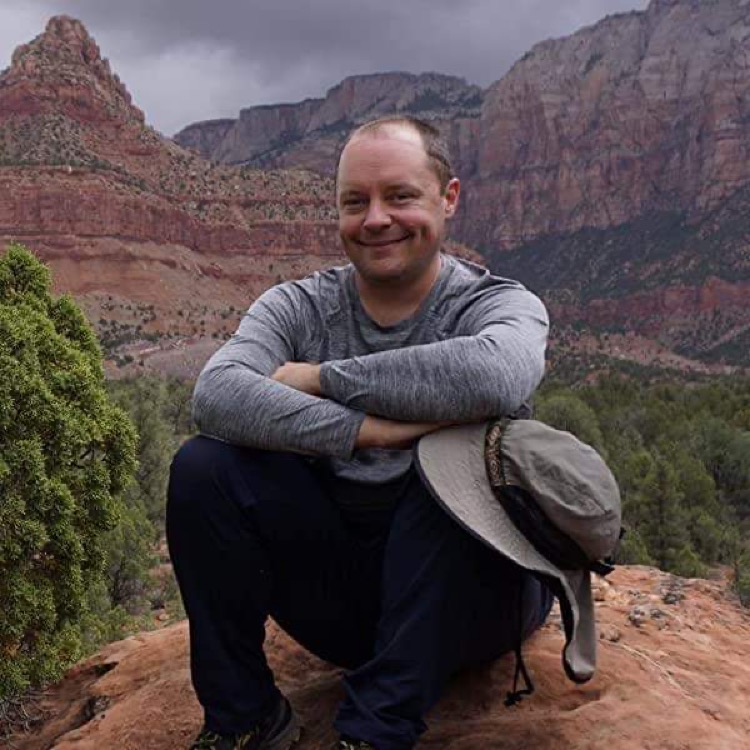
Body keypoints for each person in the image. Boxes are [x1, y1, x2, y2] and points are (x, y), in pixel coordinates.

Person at [167, 115, 553, 750]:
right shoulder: (296, 306)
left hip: (473, 602)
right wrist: (370, 431)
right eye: (356, 201)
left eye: (400, 196)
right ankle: (244, 720)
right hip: (348, 599)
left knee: (448, 464)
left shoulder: (497, 305)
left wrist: (318, 378)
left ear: (448, 198)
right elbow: (216, 393)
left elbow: (495, 375)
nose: (376, 219)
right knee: (205, 468)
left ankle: (375, 734)